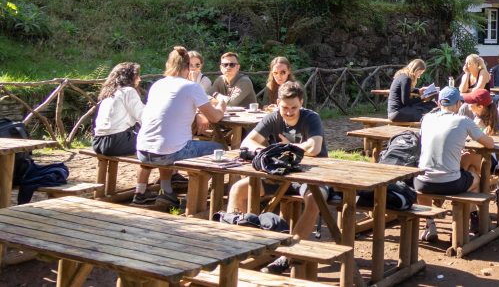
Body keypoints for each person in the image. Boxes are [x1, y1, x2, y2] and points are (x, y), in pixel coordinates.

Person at [225, 81, 325, 275]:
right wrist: (273, 150)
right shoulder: (272, 118)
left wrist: (284, 148)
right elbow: (248, 142)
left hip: (310, 176)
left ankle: (289, 254)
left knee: (314, 199)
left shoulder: (311, 118)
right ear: (278, 103)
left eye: (294, 108)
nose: (289, 112)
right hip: (280, 174)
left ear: (301, 103)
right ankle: (235, 247)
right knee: (238, 189)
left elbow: (315, 147)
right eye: (285, 108)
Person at [137, 46, 226, 208]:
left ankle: (167, 191)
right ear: (187, 67)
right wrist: (222, 105)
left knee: (168, 142)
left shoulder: (157, 85)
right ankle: (197, 196)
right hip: (168, 152)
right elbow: (215, 117)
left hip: (142, 150)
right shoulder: (191, 87)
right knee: (220, 148)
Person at [414, 86, 494, 241]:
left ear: (439, 103)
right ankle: (471, 221)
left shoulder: (426, 119)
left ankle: (430, 225)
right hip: (450, 183)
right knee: (475, 176)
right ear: (458, 104)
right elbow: (489, 144)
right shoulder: (463, 120)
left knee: (426, 180)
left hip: (422, 182)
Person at [93, 62, 152, 204]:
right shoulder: (128, 91)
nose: (139, 79)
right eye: (137, 76)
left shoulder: (109, 93)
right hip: (115, 141)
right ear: (130, 77)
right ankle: (142, 191)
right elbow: (143, 116)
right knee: (154, 146)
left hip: (98, 141)